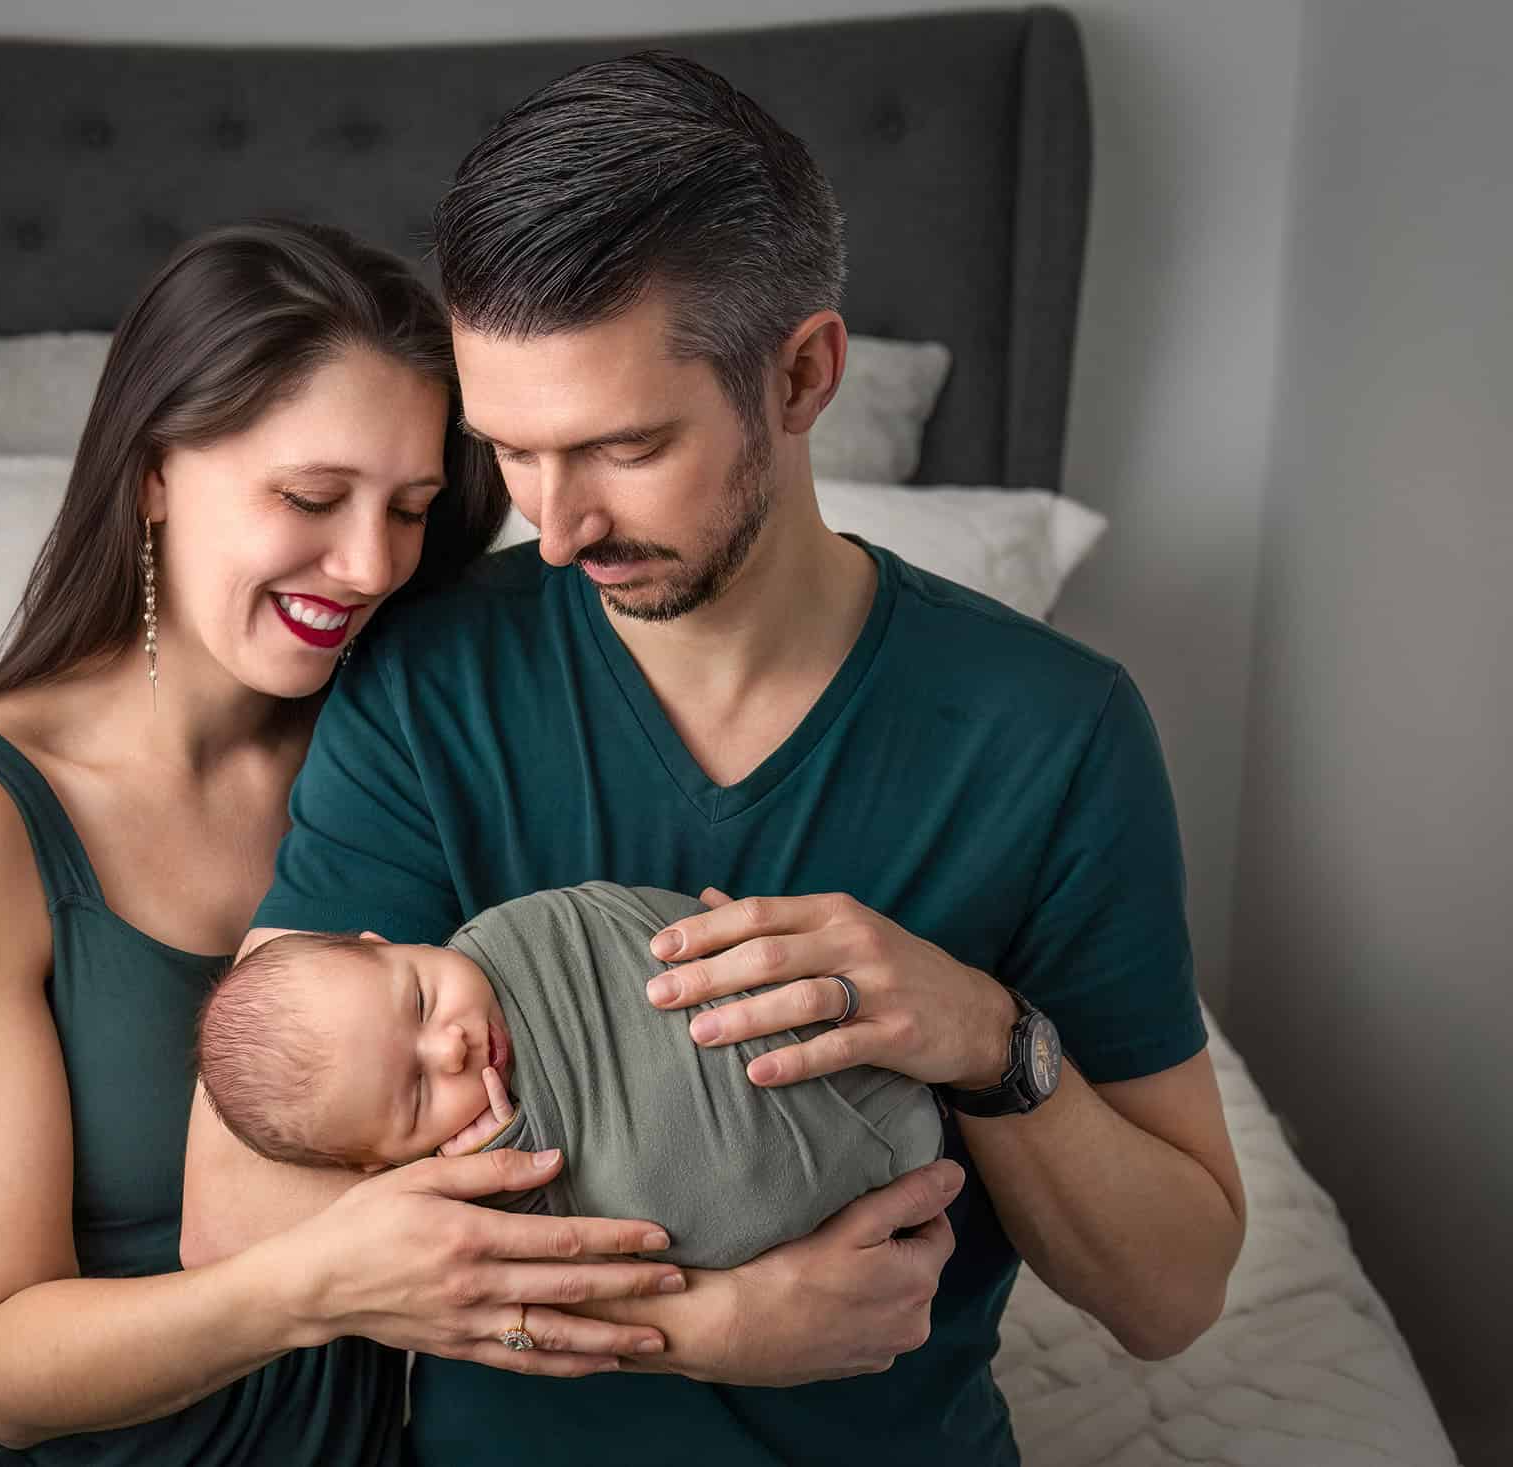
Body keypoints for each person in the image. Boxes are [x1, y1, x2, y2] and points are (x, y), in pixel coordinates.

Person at [182, 53, 1249, 1466]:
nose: (553, 529)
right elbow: (234, 1221)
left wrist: (989, 1037)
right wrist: (704, 1320)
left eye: (623, 447)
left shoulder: (1050, 732)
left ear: (802, 374)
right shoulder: (429, 681)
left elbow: (1172, 1296)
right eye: (511, 453)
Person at [0, 220, 691, 1467]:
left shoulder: (406, 750)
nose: (368, 564)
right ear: (153, 471)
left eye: (412, 510)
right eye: (310, 498)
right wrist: (325, 1281)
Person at [196, 882, 944, 1268]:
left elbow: (622, 928)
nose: (450, 1047)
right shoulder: (460, 1186)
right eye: (418, 1092)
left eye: (420, 997)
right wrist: (507, 1168)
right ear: (377, 1162)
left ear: (385, 943)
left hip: (819, 1029)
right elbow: (572, 1246)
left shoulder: (520, 938)